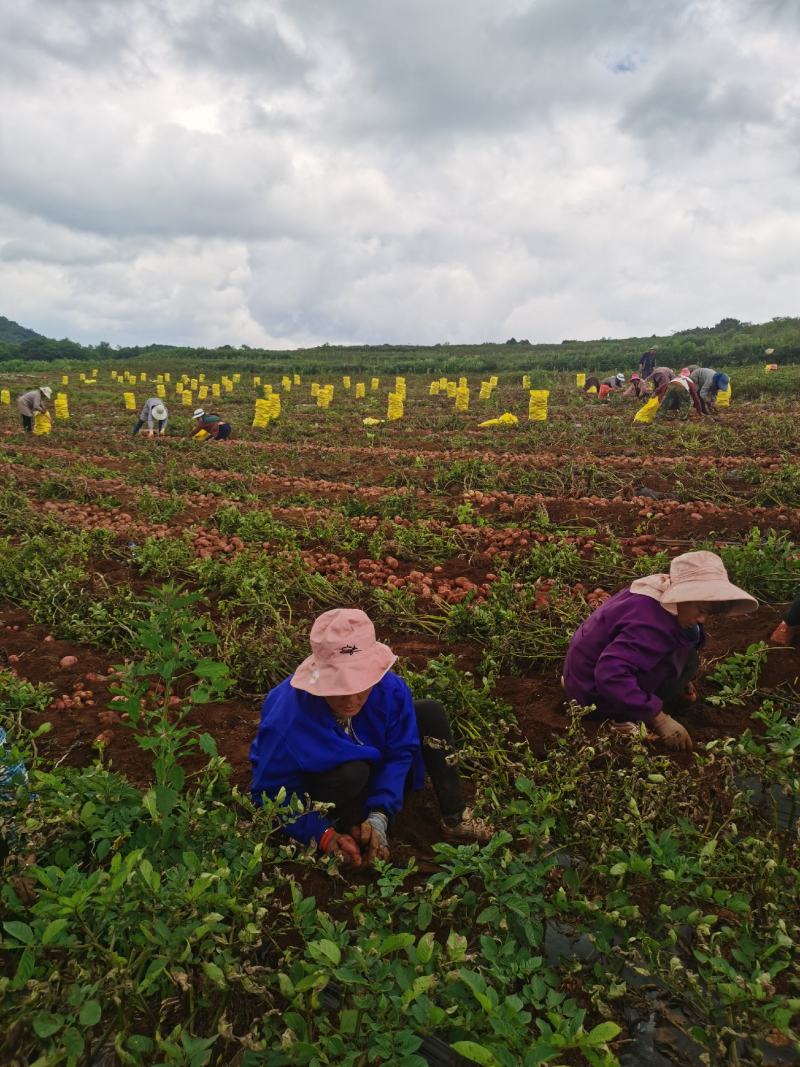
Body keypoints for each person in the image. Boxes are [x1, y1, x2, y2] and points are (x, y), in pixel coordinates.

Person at [250, 608, 491, 866]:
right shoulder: (287, 718)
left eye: (360, 685)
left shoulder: (391, 690)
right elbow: (269, 793)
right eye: (340, 687)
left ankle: (454, 818)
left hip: (374, 772)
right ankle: (342, 819)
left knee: (429, 713)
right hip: (327, 785)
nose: (351, 700)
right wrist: (321, 834)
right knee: (353, 772)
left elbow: (400, 753)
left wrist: (380, 816)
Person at [562, 551, 757, 751]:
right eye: (701, 610)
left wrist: (681, 681)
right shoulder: (650, 624)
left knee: (688, 653)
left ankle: (596, 692)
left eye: (708, 612)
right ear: (683, 595)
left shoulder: (664, 598)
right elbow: (611, 673)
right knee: (674, 658)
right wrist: (659, 719)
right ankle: (619, 718)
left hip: (587, 672)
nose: (702, 619)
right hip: (594, 692)